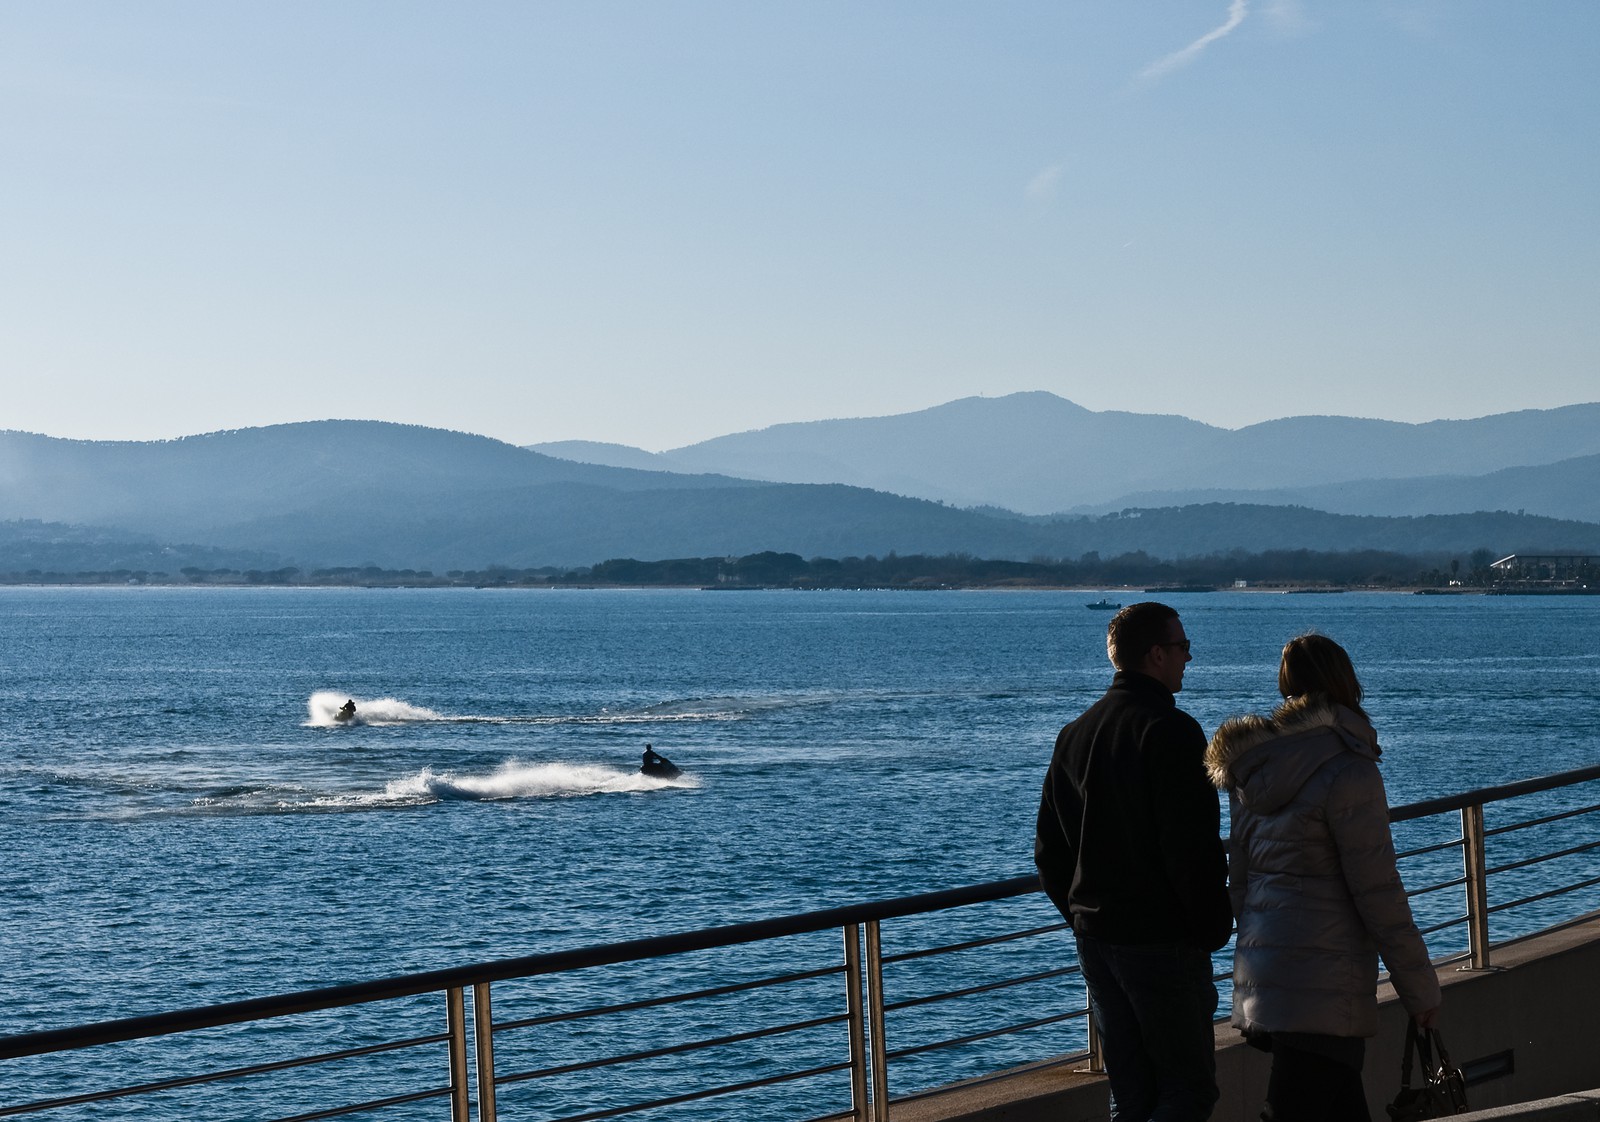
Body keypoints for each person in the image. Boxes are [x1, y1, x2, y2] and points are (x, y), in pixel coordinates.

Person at [1205, 633, 1441, 1122]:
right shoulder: (1348, 769)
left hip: (1268, 975)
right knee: (1303, 1104)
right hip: (1326, 978)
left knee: (1319, 1102)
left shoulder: (1256, 768)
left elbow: (1241, 882)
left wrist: (1260, 959)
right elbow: (1377, 890)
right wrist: (1419, 989)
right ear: (1346, 684)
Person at [1035, 602, 1232, 1121]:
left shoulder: (1074, 734)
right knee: (1186, 1090)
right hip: (1160, 940)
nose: (1190, 657)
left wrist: (1081, 914)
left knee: (1131, 1091)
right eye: (1183, 646)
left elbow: (1049, 851)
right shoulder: (1171, 731)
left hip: (1096, 940)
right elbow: (1192, 847)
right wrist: (1212, 927)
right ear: (1156, 654)